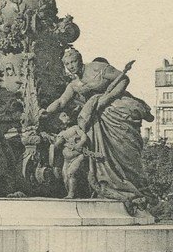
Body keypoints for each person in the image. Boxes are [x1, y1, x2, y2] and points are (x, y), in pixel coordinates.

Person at [43, 48, 154, 210]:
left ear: (80, 59)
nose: (71, 66)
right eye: (67, 64)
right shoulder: (73, 85)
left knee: (125, 151)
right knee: (105, 157)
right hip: (96, 119)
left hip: (117, 108)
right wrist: (45, 111)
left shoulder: (96, 67)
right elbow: (61, 102)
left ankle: (135, 187)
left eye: (73, 61)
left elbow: (123, 79)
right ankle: (114, 186)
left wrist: (107, 98)